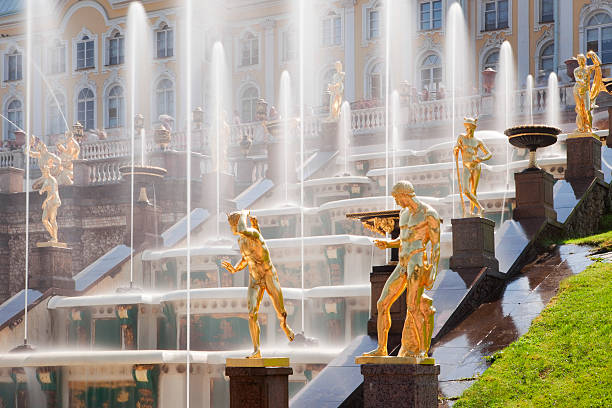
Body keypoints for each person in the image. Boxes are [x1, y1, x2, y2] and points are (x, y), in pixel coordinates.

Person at [362, 181, 440, 359]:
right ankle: (382, 348)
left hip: (417, 262)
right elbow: (404, 239)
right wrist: (389, 243)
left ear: (406, 195)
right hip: (402, 263)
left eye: (397, 198)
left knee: (412, 307)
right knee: (382, 304)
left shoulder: (429, 214)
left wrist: (433, 270)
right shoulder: (403, 214)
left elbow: (436, 246)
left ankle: (422, 350)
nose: (396, 202)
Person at [222, 211, 295, 358]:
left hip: (268, 275)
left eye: (231, 224)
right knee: (251, 314)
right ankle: (256, 350)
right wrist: (235, 268)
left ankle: (284, 325)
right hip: (254, 279)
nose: (231, 228)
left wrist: (243, 213)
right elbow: (246, 259)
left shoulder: (253, 233)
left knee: (280, 311)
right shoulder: (241, 241)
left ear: (237, 223)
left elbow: (243, 229)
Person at [453, 117, 492, 217]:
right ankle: (480, 207)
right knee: (466, 191)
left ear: (474, 128)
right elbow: (456, 146)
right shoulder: (461, 137)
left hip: (476, 166)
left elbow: (489, 154)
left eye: (470, 127)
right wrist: (456, 149)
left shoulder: (478, 141)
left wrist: (481, 159)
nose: (468, 129)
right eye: (466, 127)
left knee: (474, 190)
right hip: (466, 166)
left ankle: (471, 212)